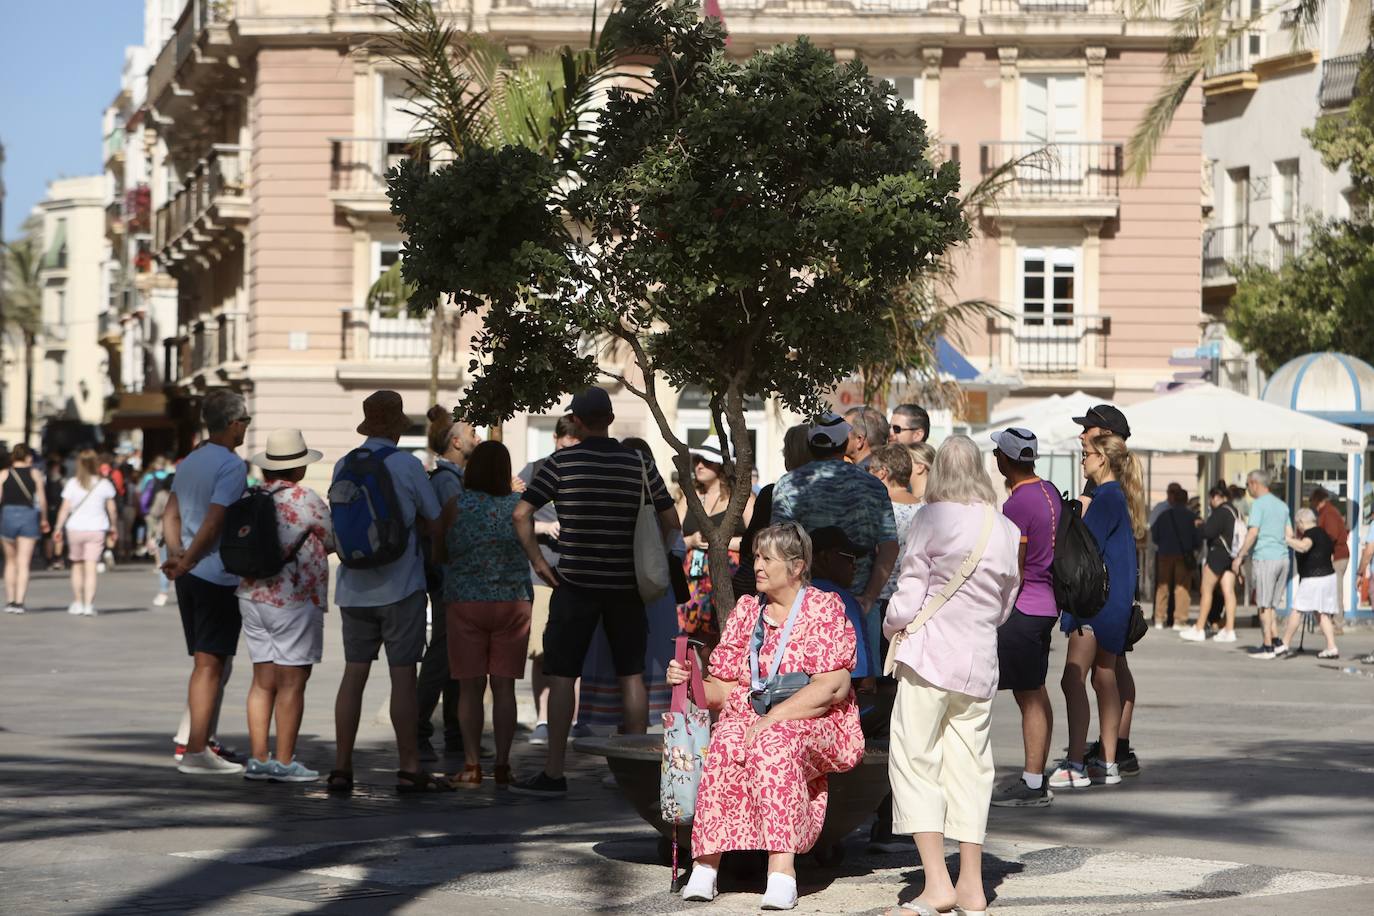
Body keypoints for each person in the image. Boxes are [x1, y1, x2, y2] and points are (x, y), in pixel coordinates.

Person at [673, 523, 863, 911]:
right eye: (756, 556)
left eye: (766, 558)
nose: (756, 565)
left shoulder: (822, 608)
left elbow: (831, 686)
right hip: (754, 717)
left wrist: (770, 720)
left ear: (796, 566)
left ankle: (781, 874)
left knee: (772, 743)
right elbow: (723, 690)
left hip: (816, 720)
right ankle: (705, 868)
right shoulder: (747, 612)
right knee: (725, 741)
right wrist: (689, 680)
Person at [511, 387, 679, 796]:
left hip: (575, 584)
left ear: (579, 421)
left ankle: (554, 771)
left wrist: (539, 563)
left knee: (564, 673)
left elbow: (521, 513)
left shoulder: (562, 462)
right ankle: (635, 770)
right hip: (626, 587)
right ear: (609, 418)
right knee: (631, 675)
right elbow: (670, 519)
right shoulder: (637, 462)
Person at [882, 436, 1021, 916]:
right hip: (979, 663)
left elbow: (909, 590)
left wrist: (891, 627)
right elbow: (1006, 602)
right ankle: (972, 887)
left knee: (915, 760)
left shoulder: (930, 517)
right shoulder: (1003, 528)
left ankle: (936, 883)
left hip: (929, 656)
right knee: (971, 769)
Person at [327, 390, 445, 794]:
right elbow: (433, 518)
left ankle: (342, 767)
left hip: (353, 587)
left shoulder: (345, 463)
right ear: (397, 426)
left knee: (353, 676)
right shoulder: (406, 465)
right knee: (403, 679)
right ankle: (409, 767)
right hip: (401, 586)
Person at [1049, 433, 1146, 790]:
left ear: (1102, 460)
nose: (1083, 459)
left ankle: (1076, 763)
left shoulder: (1105, 500)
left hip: (1094, 605)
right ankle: (1107, 762)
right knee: (1103, 678)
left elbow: (1084, 558)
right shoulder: (1118, 498)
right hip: (1115, 604)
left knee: (1072, 678)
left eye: (1086, 454)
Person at [161, 391, 251, 775]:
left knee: (209, 662)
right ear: (233, 424)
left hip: (191, 574)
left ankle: (201, 741)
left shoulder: (191, 461)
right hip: (215, 573)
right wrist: (191, 558)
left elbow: (170, 513)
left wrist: (178, 554)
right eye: (244, 420)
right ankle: (197, 749)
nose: (246, 426)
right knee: (210, 665)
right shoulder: (231, 465)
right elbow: (216, 521)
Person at [237, 430, 334, 783]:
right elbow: (332, 538)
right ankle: (283, 760)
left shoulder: (249, 496)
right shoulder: (305, 498)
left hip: (251, 595)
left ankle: (259, 759)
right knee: (292, 682)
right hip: (294, 598)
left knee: (262, 680)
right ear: (299, 468)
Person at [442, 441, 533, 788]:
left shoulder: (457, 504)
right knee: (505, 687)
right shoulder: (518, 507)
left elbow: (440, 548)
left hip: (466, 602)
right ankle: (504, 764)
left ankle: (471, 764)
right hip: (513, 602)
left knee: (470, 689)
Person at [772, 412, 898, 641]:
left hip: (803, 604)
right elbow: (889, 547)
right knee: (861, 675)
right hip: (858, 604)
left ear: (811, 444)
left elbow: (779, 547)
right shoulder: (872, 486)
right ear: (844, 443)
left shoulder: (787, 485)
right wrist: (869, 598)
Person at [987, 428, 1060, 809]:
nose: (995, 456)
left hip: (1025, 606)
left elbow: (1012, 566)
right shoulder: (1048, 491)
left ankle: (1033, 782)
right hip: (1046, 603)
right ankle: (1035, 776)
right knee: (1035, 691)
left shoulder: (1017, 504)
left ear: (1006, 459)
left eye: (998, 451)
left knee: (1028, 695)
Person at [415, 405, 480, 763]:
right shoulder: (446, 481)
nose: (477, 438)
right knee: (441, 657)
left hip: (452, 580)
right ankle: (419, 729)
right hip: (448, 581)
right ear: (456, 441)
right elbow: (452, 528)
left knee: (456, 657)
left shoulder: (451, 478)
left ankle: (454, 732)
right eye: (472, 434)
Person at [516, 415, 584, 745]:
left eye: (574, 447)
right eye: (563, 446)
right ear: (555, 439)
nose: (567, 452)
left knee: (575, 651)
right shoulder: (535, 468)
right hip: (542, 574)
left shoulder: (585, 472)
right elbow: (517, 512)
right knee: (541, 651)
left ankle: (573, 718)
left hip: (577, 573)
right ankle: (543, 718)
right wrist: (543, 528)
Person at [677, 435, 754, 645]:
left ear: (721, 466)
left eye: (707, 461)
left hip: (727, 580)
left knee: (720, 641)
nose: (699, 465)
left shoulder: (741, 499)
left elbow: (757, 540)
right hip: (691, 583)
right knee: (688, 644)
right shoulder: (688, 497)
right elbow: (672, 540)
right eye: (697, 460)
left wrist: (723, 543)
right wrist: (691, 541)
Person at [731, 424, 811, 600]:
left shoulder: (773, 493)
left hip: (781, 587)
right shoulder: (832, 490)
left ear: (789, 454)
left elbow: (750, 542)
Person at [52, 449, 119, 617]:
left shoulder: (72, 483)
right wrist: (114, 526)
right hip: (97, 528)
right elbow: (112, 509)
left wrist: (58, 527)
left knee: (76, 566)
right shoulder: (104, 484)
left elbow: (64, 508)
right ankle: (89, 605)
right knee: (91, 567)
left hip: (75, 528)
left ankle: (78, 601)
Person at [1233, 470, 1290, 658]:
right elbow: (1289, 534)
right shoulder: (1282, 505)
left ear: (1255, 483)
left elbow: (1253, 532)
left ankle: (1267, 646)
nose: (1248, 488)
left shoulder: (1258, 504)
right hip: (1283, 558)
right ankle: (1275, 640)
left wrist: (1241, 555)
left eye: (1249, 484)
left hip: (1266, 557)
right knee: (1272, 604)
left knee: (1264, 604)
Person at [1273, 507, 1340, 659]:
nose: (1298, 528)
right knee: (1322, 613)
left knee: (1297, 609)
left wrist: (1286, 540)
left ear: (1302, 522)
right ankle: (1331, 647)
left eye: (1298, 524)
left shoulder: (1311, 533)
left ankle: (1284, 643)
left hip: (1314, 578)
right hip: (1328, 577)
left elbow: (1304, 547)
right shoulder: (1324, 534)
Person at [808, 526, 873, 680]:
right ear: (825, 557)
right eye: (850, 557)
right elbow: (863, 679)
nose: (854, 566)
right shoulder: (843, 601)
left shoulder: (789, 596)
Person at [1182, 486, 1242, 643]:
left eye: (1210, 499)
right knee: (1229, 592)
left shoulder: (1221, 511)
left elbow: (1208, 532)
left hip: (1218, 554)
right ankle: (1230, 629)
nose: (1209, 502)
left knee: (1206, 590)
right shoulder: (1235, 511)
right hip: (1231, 555)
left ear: (1216, 497)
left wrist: (1200, 525)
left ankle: (1199, 628)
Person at [1, 444, 49, 614]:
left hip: (7, 515)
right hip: (28, 516)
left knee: (10, 561)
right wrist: (44, 519)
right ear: (28, 457)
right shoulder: (35, 474)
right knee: (23, 562)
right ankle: (20, 602)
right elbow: (42, 500)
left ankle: (9, 601)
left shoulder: (4, 474)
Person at [1151, 485, 1199, 629]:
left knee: (1162, 586)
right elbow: (1197, 538)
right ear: (1186, 500)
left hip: (1164, 554)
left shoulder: (1164, 515)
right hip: (1182, 555)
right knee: (1182, 588)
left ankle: (1159, 618)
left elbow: (1155, 535)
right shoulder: (1191, 517)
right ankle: (1179, 620)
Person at [1310, 487, 1349, 633]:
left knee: (1335, 590)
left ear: (1317, 500)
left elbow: (1331, 535)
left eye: (1312, 501)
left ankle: (1338, 624)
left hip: (1337, 556)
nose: (1312, 504)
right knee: (1332, 590)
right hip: (1338, 554)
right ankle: (1332, 622)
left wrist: (1322, 551)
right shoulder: (1328, 512)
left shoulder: (1328, 513)